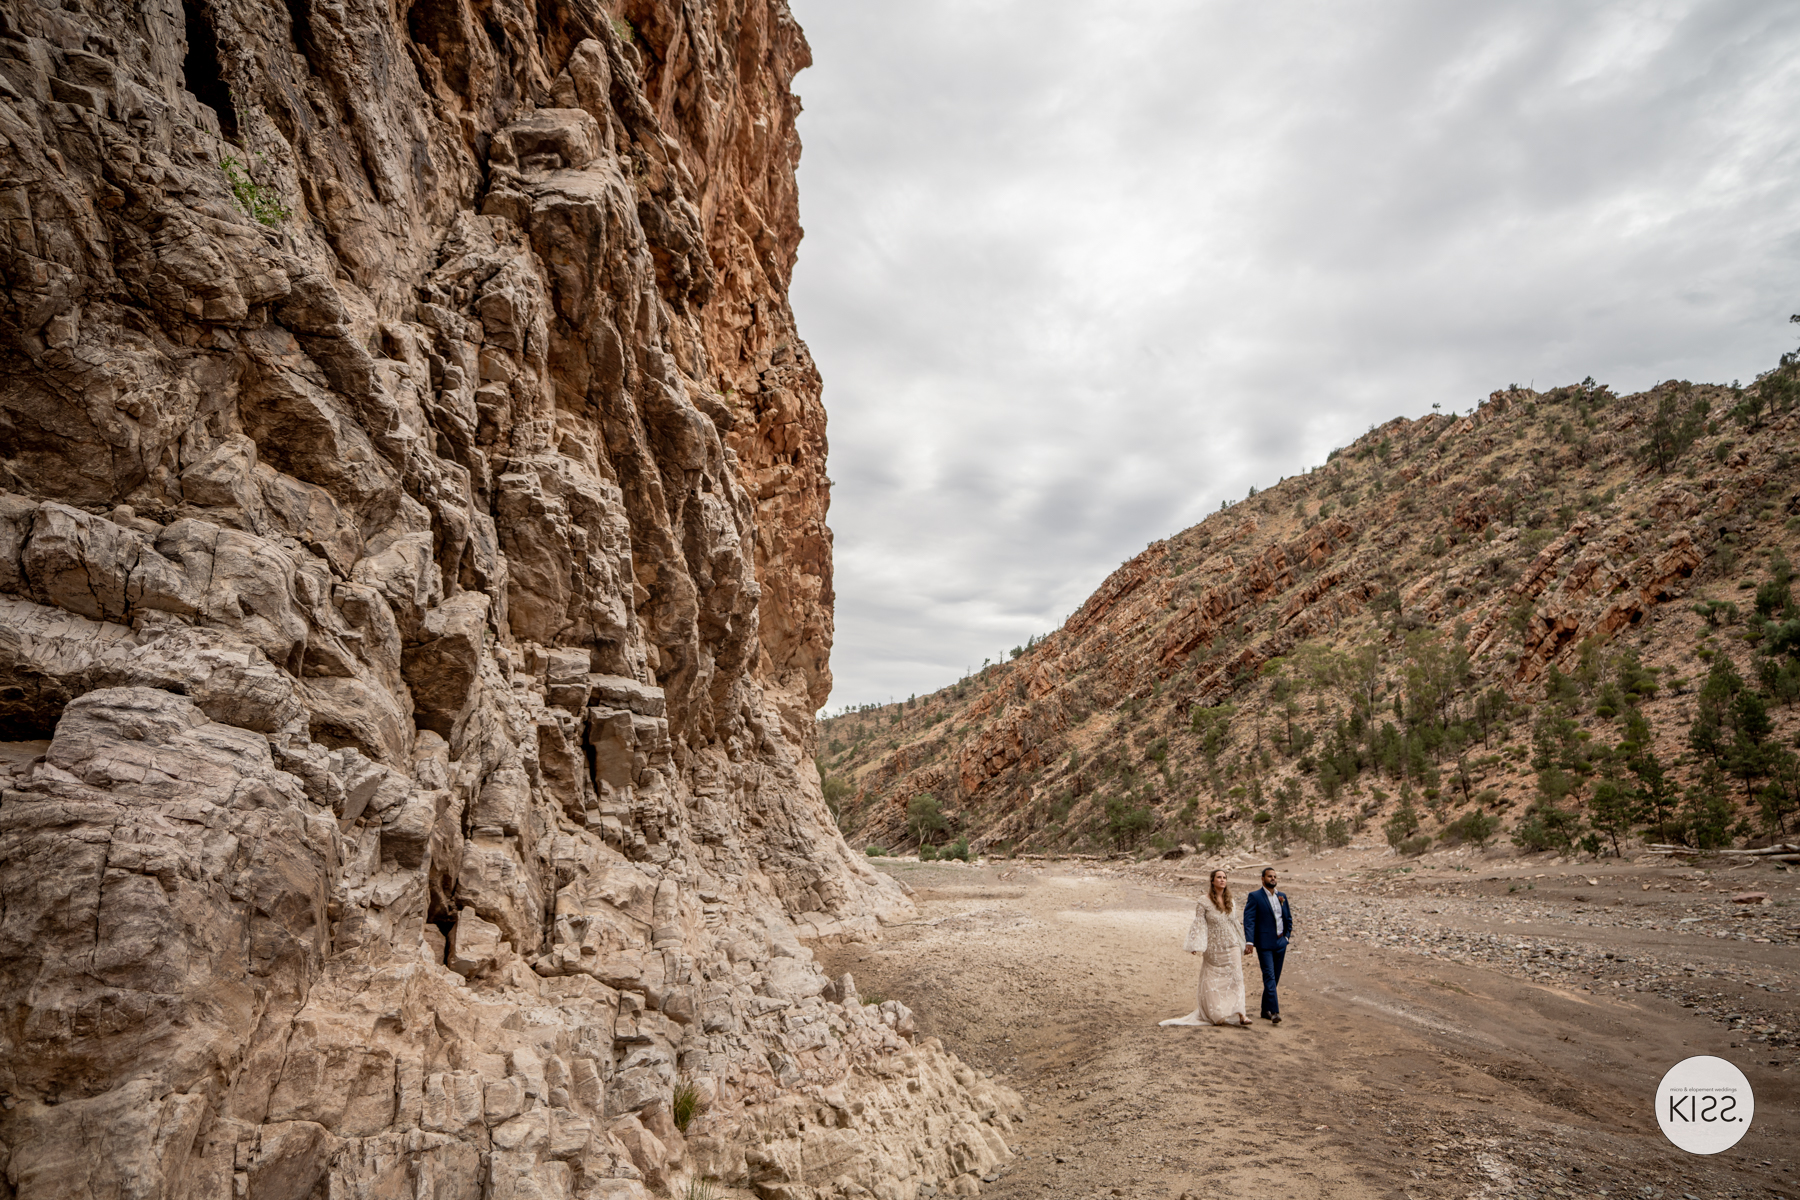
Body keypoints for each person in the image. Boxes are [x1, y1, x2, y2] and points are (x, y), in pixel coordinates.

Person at [1160, 870, 1253, 1028]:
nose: (1222, 880)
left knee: (1237, 978)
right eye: (1219, 877)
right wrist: (1196, 944)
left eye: (1224, 878)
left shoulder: (1230, 900)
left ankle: (1241, 1014)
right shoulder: (1203, 901)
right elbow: (1199, 924)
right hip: (1214, 948)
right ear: (1212, 881)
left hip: (1232, 945)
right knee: (1212, 980)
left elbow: (1235, 923)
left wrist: (1244, 943)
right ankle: (1216, 1014)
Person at [1242, 866, 1294, 1024]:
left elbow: (1288, 919)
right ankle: (1275, 1012)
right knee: (1269, 976)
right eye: (1270, 876)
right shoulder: (1255, 896)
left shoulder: (1282, 896)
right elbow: (1249, 920)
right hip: (1264, 944)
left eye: (1275, 876)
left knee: (1275, 978)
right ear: (1262, 879)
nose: (1273, 878)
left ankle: (1265, 1009)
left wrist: (1286, 937)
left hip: (1280, 942)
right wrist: (1250, 941)